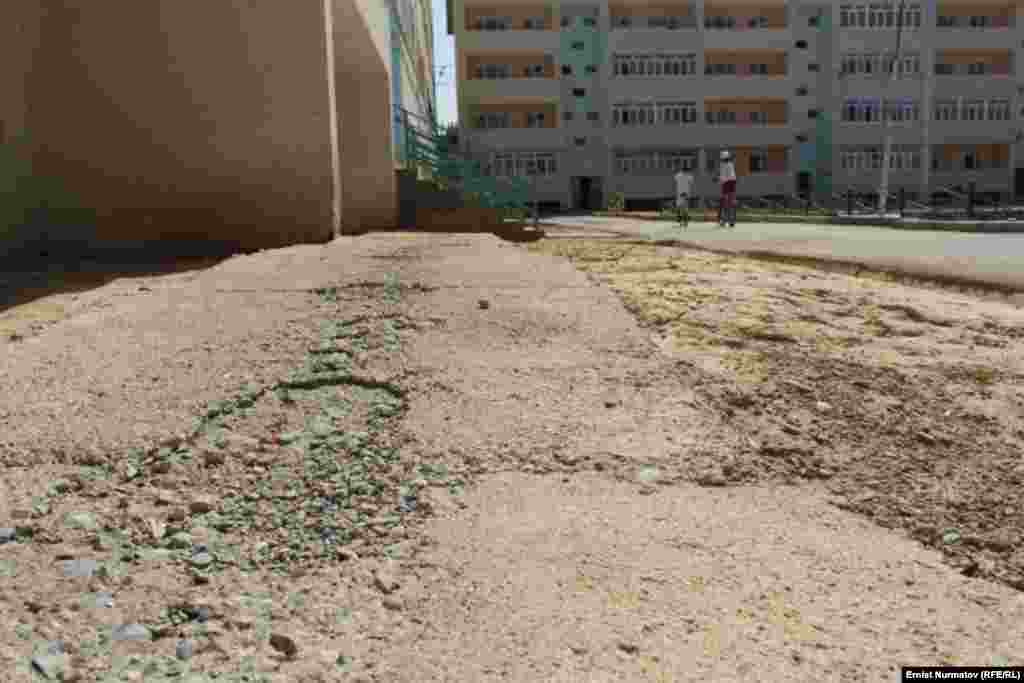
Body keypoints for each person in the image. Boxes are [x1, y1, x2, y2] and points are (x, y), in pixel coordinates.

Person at [718, 150, 737, 228]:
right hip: (732, 183)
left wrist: (718, 179)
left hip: (726, 184)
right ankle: (731, 221)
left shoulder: (723, 165)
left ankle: (724, 220)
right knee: (731, 202)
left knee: (725, 203)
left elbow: (723, 177)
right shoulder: (731, 164)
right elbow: (730, 176)